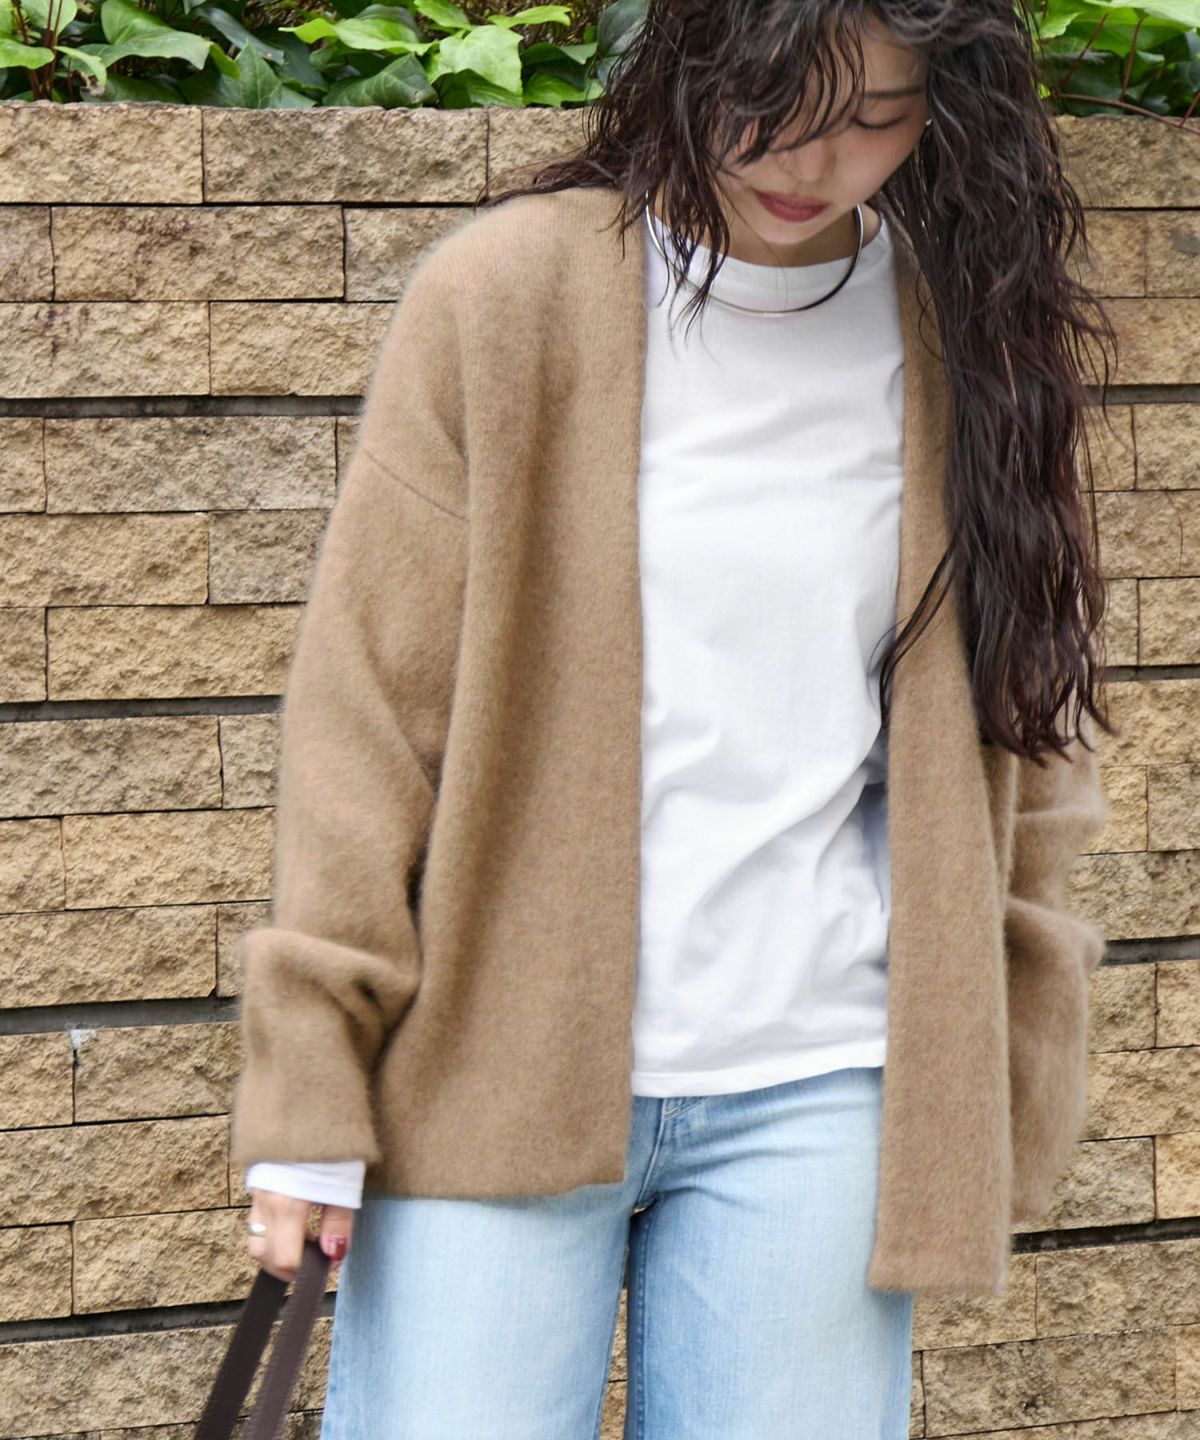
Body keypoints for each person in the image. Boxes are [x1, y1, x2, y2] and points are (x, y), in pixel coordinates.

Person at [231, 2, 1117, 1435]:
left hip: (820, 1083)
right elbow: (368, 719)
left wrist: (1014, 1032)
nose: (810, 160)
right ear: (698, 56)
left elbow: (1031, 727)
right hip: (493, 1065)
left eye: (874, 116)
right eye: (777, 99)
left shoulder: (970, 338)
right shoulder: (509, 296)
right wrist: (311, 1095)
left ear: (945, 104)